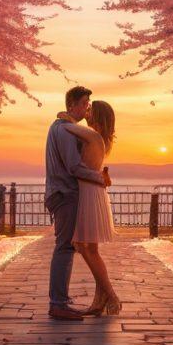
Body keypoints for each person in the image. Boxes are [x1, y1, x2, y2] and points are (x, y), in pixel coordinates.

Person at [44, 86, 109, 320]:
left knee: (67, 246)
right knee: (64, 247)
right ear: (71, 104)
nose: (87, 107)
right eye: (83, 103)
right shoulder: (64, 130)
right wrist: (99, 178)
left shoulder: (65, 127)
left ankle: (60, 299)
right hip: (64, 193)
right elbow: (73, 167)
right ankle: (58, 304)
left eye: (88, 104)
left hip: (61, 192)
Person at [58, 99, 121, 316]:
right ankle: (100, 297)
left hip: (89, 192)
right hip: (91, 191)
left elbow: (66, 126)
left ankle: (111, 294)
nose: (88, 112)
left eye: (91, 110)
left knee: (85, 246)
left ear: (100, 118)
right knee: (88, 247)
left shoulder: (92, 136)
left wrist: (67, 115)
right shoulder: (97, 137)